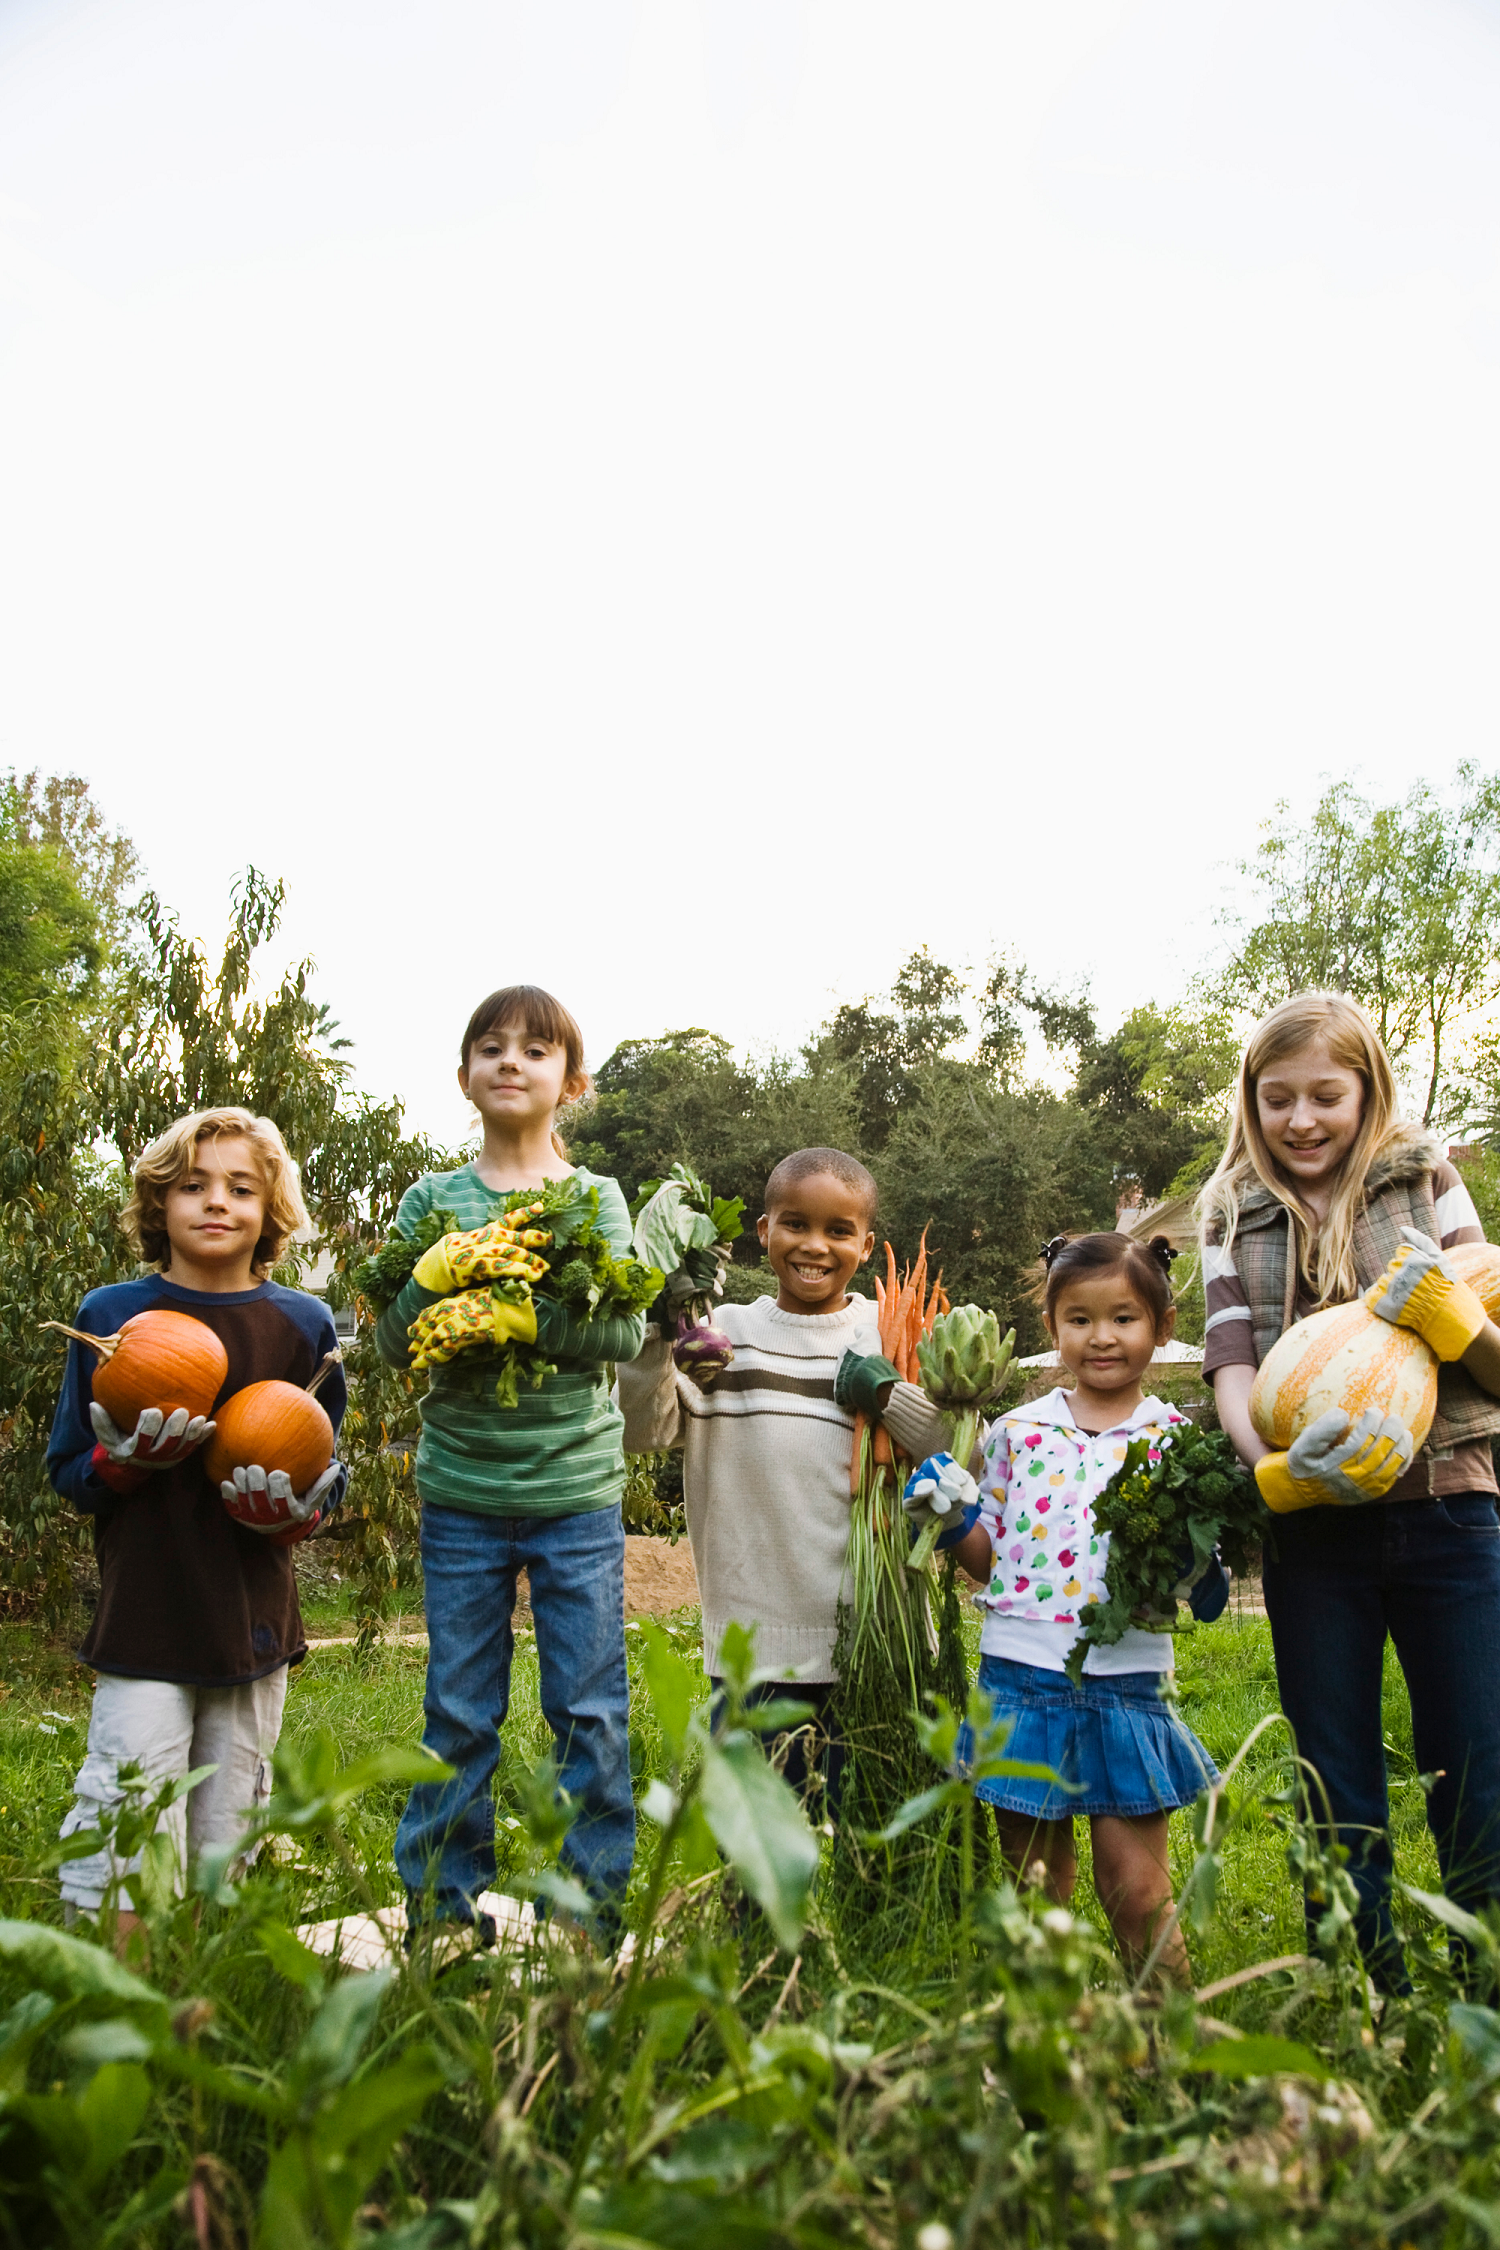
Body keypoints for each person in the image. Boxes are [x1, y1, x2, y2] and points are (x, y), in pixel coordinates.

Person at [1200, 990, 1500, 1984]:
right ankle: (1367, 1981)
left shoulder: (1431, 1181)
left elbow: (1494, 1365)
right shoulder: (1229, 1212)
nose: (1301, 1120)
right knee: (1333, 1770)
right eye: (1277, 1098)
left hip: (1450, 1509)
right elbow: (1234, 1372)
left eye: (1326, 1095)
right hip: (1311, 1534)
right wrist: (1271, 1469)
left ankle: (1485, 1980)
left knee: (1476, 1755)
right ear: (1251, 1100)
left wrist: (1459, 1327)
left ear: (1368, 1090)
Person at [379, 986, 646, 1956]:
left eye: (534, 1050)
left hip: (574, 1493)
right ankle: (443, 1915)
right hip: (460, 1494)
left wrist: (525, 1317)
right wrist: (429, 1280)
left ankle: (585, 1917)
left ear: (569, 1083)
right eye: (488, 1047)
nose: (509, 1061)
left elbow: (624, 1324)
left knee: (588, 1710)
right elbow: (389, 1343)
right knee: (456, 1708)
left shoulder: (593, 1200)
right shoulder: (431, 1203)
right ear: (463, 1078)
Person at [47, 1107, 346, 1946]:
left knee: (228, 1828)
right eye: (193, 1185)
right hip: (144, 1611)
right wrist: (125, 1465)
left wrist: (290, 1518)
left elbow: (324, 1481)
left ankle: (208, 1996)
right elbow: (70, 1471)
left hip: (249, 1621)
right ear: (158, 1203)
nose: (217, 1202)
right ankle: (127, 1994)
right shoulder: (113, 1316)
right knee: (129, 1810)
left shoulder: (302, 1328)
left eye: (240, 1187)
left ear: (270, 1208)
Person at [618, 1147, 944, 1821]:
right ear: (763, 1232)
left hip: (879, 1639)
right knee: (757, 1843)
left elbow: (956, 1447)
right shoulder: (723, 1338)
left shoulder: (887, 1332)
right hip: (755, 1648)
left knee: (877, 1839)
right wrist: (653, 1335)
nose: (815, 1246)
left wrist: (889, 1394)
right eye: (795, 1224)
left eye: (838, 1231)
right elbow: (643, 1430)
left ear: (867, 1244)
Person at [930, 1232, 1222, 1982]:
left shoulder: (1173, 1440)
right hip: (1021, 1680)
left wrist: (1202, 1567)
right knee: (1036, 1890)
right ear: (1053, 1325)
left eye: (1124, 1318)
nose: (1102, 1337)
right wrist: (951, 1517)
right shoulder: (1016, 1435)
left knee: (1137, 1891)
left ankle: (1169, 2048)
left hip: (1127, 1685)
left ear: (1161, 1325)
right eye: (1080, 1318)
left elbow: (1199, 1574)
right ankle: (1046, 2049)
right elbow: (986, 1566)